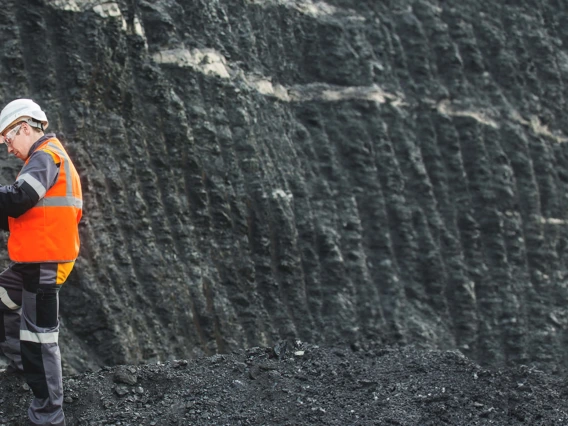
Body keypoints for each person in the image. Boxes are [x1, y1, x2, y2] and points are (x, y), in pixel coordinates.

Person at [0, 99, 82, 426]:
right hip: (33, 261)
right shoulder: (44, 158)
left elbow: (21, 198)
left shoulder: (46, 156)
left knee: (40, 340)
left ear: (23, 127)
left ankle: (48, 417)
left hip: (45, 264)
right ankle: (21, 368)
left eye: (7, 140)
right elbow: (26, 212)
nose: (7, 149)